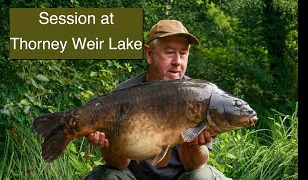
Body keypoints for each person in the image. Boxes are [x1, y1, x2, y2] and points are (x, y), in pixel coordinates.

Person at [84, 20, 230, 180]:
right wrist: (108, 144)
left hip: (180, 177)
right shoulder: (124, 96)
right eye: (169, 52)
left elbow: (193, 166)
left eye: (183, 53)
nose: (177, 62)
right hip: (135, 177)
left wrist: (194, 142)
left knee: (203, 176)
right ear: (149, 54)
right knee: (106, 176)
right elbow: (118, 165)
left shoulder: (199, 96)